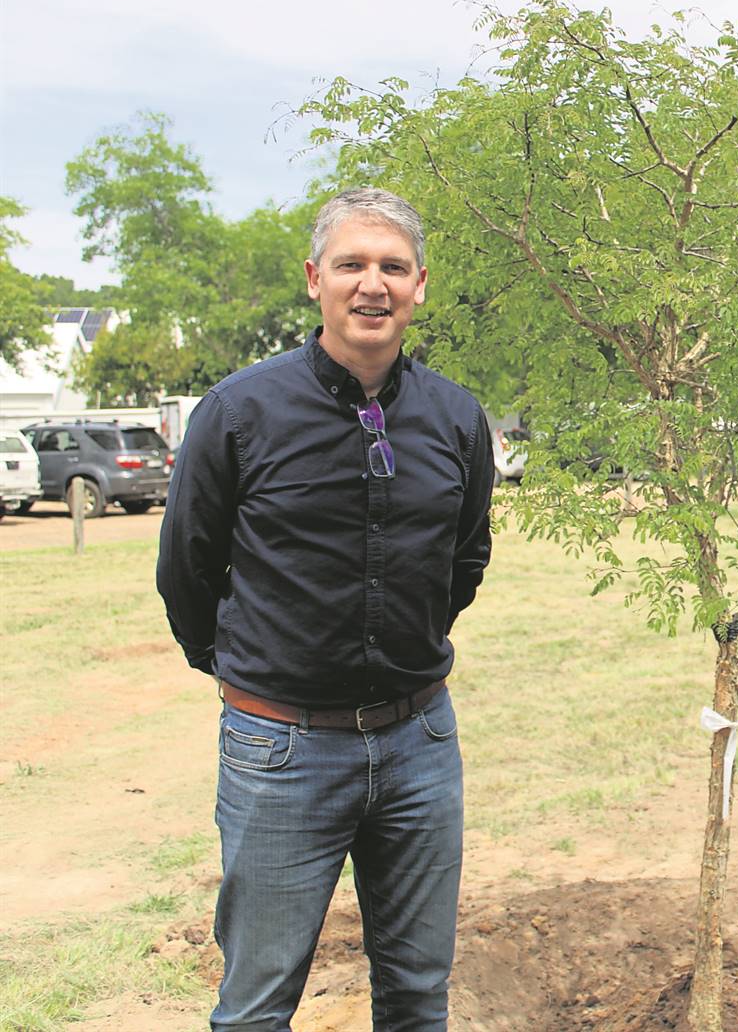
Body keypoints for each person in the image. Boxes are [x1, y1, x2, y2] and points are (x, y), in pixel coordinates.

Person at [157, 187, 495, 1031]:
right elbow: (187, 567)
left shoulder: (457, 419)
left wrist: (409, 647)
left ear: (420, 285)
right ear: (315, 279)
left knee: (417, 997)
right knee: (256, 1006)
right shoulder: (239, 413)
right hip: (282, 750)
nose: (372, 284)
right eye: (352, 265)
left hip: (420, 747)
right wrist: (243, 670)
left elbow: (464, 560)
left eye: (393, 267)